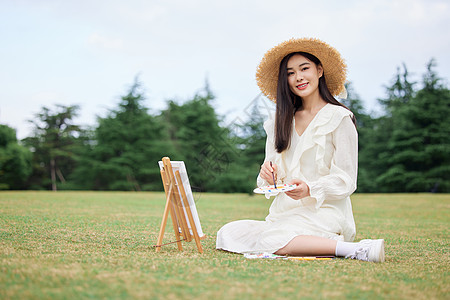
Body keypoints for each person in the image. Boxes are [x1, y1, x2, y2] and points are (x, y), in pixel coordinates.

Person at [216, 38, 385, 262]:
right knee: (228, 233)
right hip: (283, 216)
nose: (298, 77)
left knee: (270, 240)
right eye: (290, 73)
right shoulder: (279, 120)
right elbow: (269, 177)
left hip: (324, 213)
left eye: (304, 68)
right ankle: (309, 245)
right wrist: (269, 176)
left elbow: (346, 179)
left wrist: (310, 188)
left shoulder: (340, 117)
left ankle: (352, 249)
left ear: (319, 70)